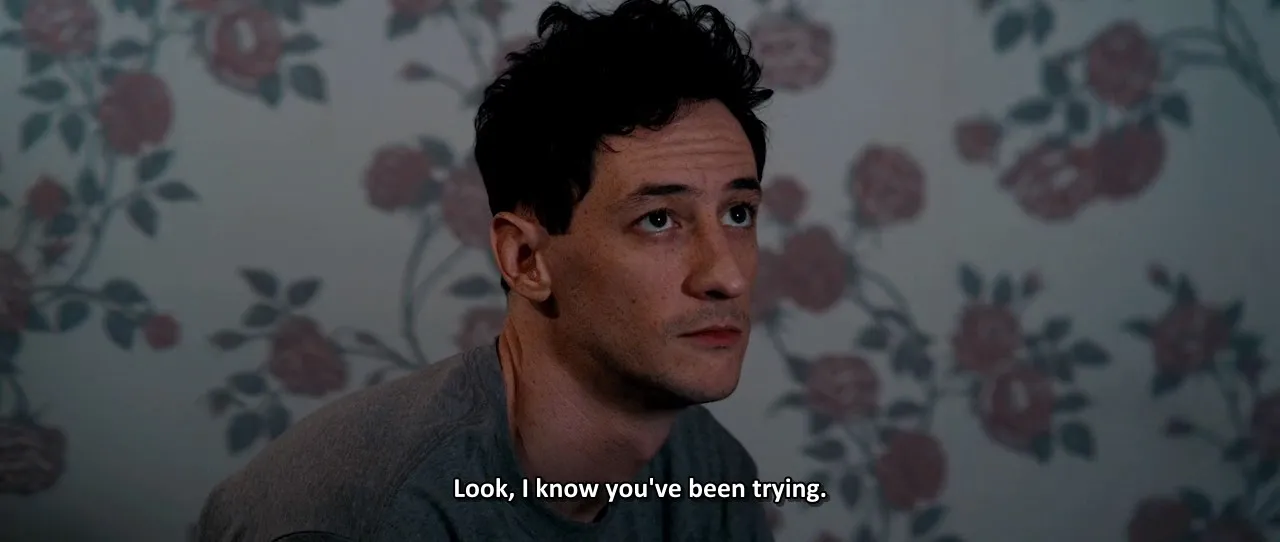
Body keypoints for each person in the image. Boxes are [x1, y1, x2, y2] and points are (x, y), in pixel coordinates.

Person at [197, 0, 776, 540]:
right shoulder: (378, 513)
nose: (727, 276)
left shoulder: (714, 478)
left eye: (738, 213)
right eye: (658, 220)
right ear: (525, 259)